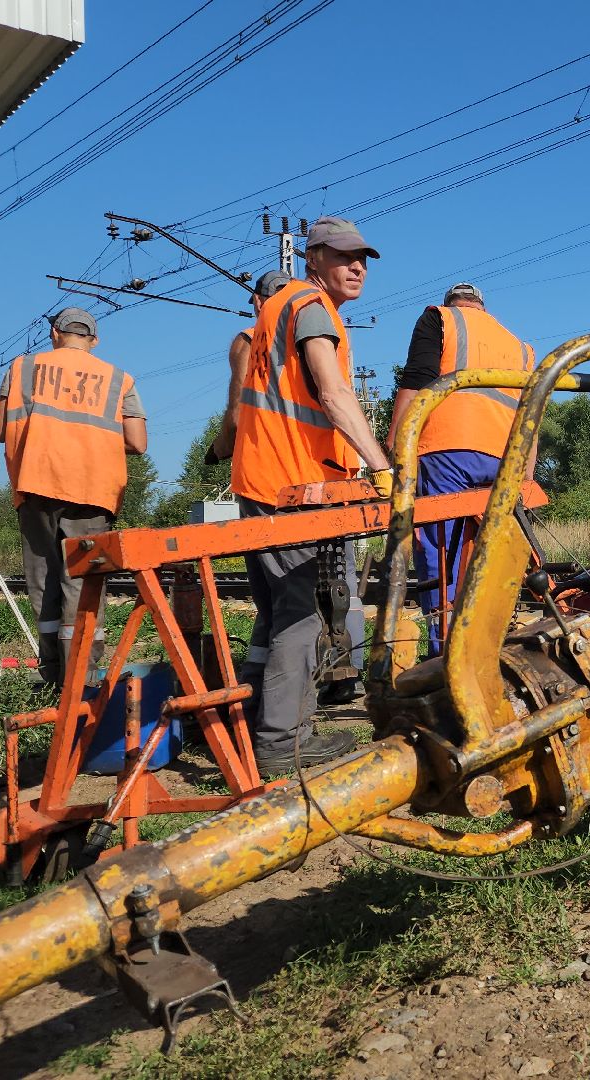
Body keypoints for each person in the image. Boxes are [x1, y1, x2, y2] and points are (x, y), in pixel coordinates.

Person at [230, 217, 393, 774]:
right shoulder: (310, 308)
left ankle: (250, 727)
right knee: (298, 616)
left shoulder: (274, 312)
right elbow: (334, 394)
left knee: (278, 612)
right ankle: (279, 742)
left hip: (268, 477)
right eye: (344, 257)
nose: (357, 267)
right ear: (313, 258)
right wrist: (381, 466)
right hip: (288, 484)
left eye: (363, 259)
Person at [0, 309, 148, 684]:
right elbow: (138, 443)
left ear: (54, 333)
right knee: (82, 584)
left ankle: (51, 673)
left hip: (36, 482)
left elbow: (1, 430)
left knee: (43, 581)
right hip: (93, 491)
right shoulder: (119, 379)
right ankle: (83, 681)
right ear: (94, 341)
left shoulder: (21, 370)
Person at [389, 282, 534, 653]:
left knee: (441, 556)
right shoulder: (520, 347)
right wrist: (526, 477)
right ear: (482, 308)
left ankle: (447, 660)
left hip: (446, 450)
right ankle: (488, 649)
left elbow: (416, 381)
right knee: (491, 559)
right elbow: (532, 418)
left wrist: (393, 449)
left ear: (451, 304)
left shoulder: (440, 320)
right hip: (505, 459)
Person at [207, 271, 292, 705]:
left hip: (262, 480)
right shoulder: (317, 332)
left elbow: (238, 415)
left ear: (257, 301)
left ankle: (260, 699)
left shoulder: (248, 337)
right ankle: (265, 696)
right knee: (293, 601)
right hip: (310, 480)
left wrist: (218, 448)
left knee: (276, 601)